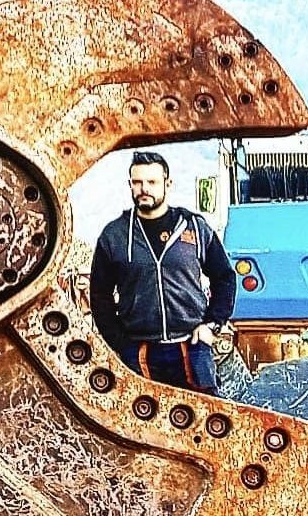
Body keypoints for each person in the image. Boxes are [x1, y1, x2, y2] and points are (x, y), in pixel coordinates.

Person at [89, 150, 236, 396]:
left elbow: (224, 278)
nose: (144, 189)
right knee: (140, 416)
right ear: (130, 185)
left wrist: (211, 325)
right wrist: (121, 344)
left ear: (168, 184)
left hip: (192, 346)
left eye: (152, 182)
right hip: (140, 352)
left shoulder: (194, 228)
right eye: (137, 182)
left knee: (205, 415)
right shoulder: (114, 236)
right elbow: (99, 296)